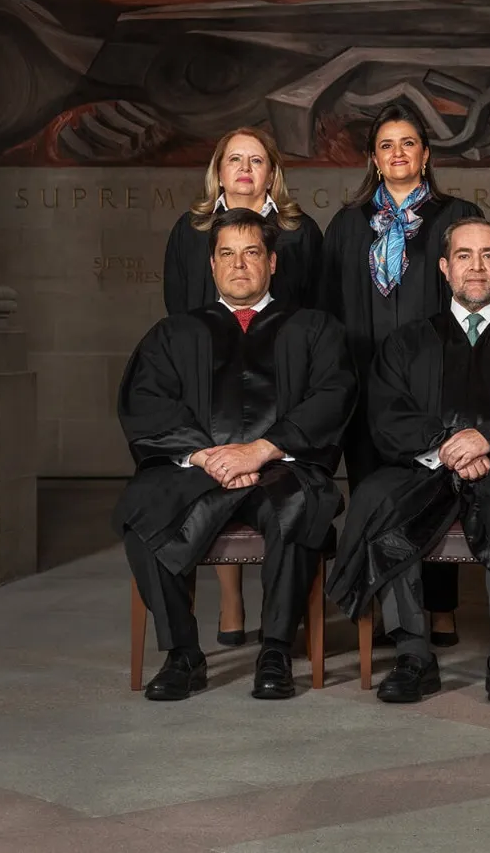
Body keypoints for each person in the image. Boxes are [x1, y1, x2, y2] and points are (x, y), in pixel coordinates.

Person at [326, 218, 490, 704]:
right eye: (464, 255)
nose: (476, 267)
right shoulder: (407, 341)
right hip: (428, 467)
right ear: (445, 268)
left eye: (488, 256)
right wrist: (449, 444)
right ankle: (412, 654)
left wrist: (489, 439)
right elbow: (387, 415)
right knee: (379, 499)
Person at [116, 209, 355, 701]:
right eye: (226, 254)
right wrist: (207, 456)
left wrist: (261, 450)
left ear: (272, 262)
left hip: (281, 466)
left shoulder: (313, 328)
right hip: (202, 469)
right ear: (212, 265)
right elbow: (147, 401)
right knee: (143, 510)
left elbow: (334, 395)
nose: (238, 264)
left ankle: (275, 650)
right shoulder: (175, 333)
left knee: (299, 507)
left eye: (251, 253)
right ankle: (183, 653)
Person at [322, 103, 481, 642]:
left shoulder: (456, 217)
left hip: (436, 385)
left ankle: (440, 607)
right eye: (386, 145)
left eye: (408, 143)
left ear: (426, 154)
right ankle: (385, 610)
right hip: (366, 385)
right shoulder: (348, 225)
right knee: (375, 495)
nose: (397, 153)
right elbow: (329, 310)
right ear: (373, 157)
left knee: (436, 490)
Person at [163, 126, 325, 648]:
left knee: (281, 490)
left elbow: (316, 310)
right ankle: (231, 601)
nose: (245, 169)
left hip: (282, 384)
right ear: (219, 170)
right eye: (235, 159)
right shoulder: (190, 230)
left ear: (272, 172)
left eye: (257, 160)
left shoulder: (300, 232)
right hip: (210, 381)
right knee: (220, 478)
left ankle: (283, 611)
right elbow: (178, 311)